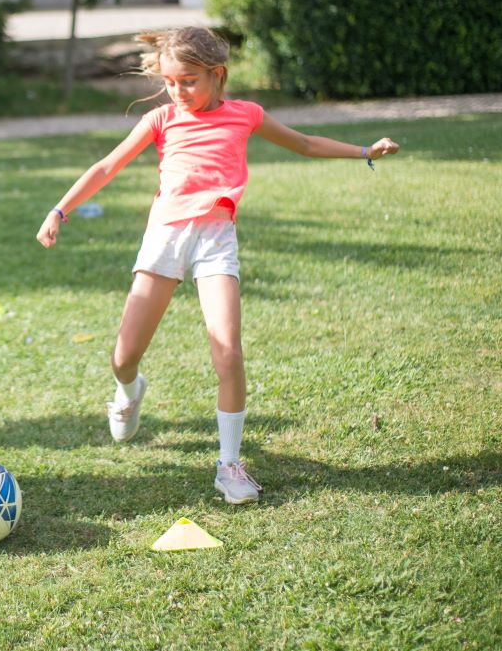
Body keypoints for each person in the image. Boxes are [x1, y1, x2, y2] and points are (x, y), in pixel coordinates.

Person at [36, 26, 400, 505]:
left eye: (188, 80)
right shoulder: (162, 119)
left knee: (228, 353)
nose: (178, 91)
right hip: (165, 239)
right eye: (170, 81)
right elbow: (107, 166)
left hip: (216, 240)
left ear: (217, 74)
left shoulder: (246, 115)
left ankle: (229, 465)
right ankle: (128, 392)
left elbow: (306, 144)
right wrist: (60, 209)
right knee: (123, 357)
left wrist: (363, 152)